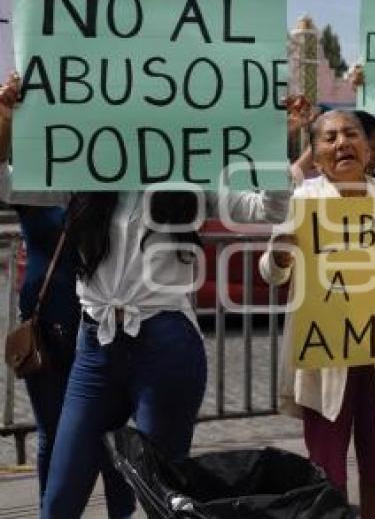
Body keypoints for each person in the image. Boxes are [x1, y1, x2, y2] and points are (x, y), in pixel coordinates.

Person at [0, 72, 289, 519]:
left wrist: (275, 143)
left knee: (159, 497)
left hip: (166, 346)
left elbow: (269, 209)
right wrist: (4, 118)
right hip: (95, 349)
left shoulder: (195, 179)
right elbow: (5, 182)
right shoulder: (80, 177)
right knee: (60, 496)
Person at [258, 110, 375, 519]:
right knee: (326, 465)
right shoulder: (303, 199)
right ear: (315, 156)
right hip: (326, 352)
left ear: (369, 150)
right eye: (329, 138)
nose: (341, 143)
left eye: (351, 134)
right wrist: (280, 255)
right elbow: (271, 270)